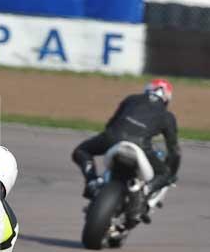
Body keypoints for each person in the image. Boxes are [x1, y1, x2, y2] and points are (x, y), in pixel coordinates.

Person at [72, 78, 181, 210]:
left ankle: (92, 182)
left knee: (82, 151)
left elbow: (110, 124)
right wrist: (171, 174)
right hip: (142, 146)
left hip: (113, 138)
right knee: (165, 174)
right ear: (167, 99)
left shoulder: (131, 99)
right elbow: (174, 151)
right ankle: (145, 191)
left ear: (147, 90)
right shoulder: (167, 116)